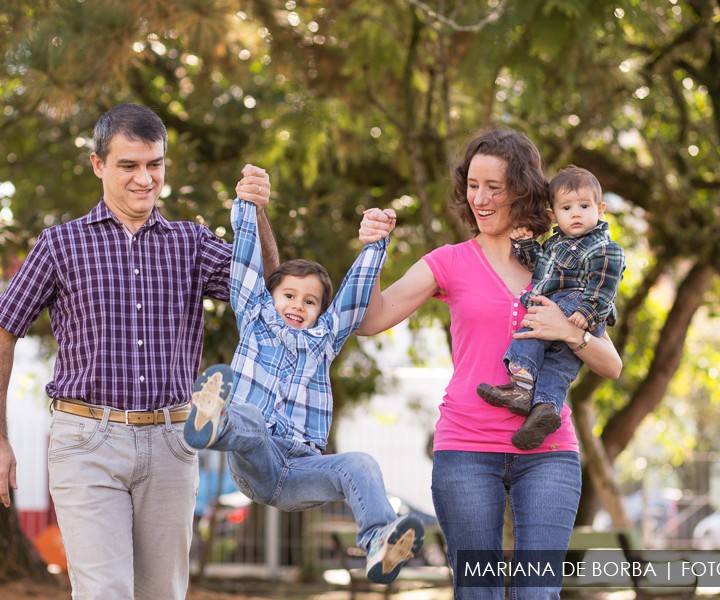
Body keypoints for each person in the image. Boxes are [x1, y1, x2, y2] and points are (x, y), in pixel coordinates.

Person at [0, 104, 279, 600]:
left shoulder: (192, 243)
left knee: (162, 595)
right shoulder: (59, 245)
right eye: (128, 165)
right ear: (98, 165)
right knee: (105, 592)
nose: (144, 179)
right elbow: (4, 329)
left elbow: (268, 294)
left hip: (173, 442)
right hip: (86, 441)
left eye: (155, 164)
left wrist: (257, 213)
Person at [356, 128, 622, 599]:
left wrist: (568, 330)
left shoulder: (558, 264)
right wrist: (372, 253)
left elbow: (611, 365)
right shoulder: (449, 262)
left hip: (548, 452)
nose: (479, 198)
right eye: (472, 185)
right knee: (477, 592)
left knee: (536, 593)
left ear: (522, 189)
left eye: (493, 187)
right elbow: (371, 320)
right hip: (466, 451)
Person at [183, 186, 425, 585]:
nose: (298, 305)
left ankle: (379, 537)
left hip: (300, 473)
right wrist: (247, 205)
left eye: (310, 301)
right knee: (253, 423)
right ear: (269, 296)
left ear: (321, 311)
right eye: (289, 295)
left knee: (360, 464)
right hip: (256, 460)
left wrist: (377, 243)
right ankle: (214, 421)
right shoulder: (255, 317)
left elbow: (354, 293)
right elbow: (245, 262)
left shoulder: (326, 340)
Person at [476, 165, 625, 450]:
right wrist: (524, 245)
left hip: (577, 305)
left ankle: (521, 382)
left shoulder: (605, 247)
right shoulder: (556, 244)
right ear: (553, 215)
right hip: (569, 313)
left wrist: (587, 312)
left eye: (584, 206)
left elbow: (605, 283)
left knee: (533, 326)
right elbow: (539, 268)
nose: (576, 213)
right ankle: (544, 409)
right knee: (559, 366)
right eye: (567, 208)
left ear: (601, 209)